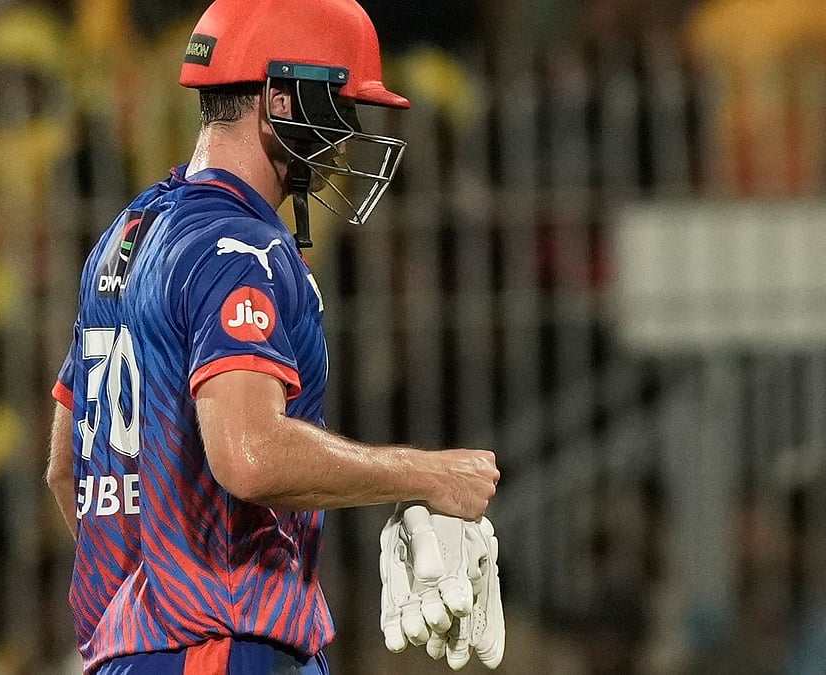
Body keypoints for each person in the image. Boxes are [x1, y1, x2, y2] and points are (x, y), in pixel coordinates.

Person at [44, 1, 500, 673]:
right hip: (223, 649)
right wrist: (427, 474)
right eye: (337, 104)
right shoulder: (240, 245)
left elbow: (64, 467)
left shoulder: (128, 233)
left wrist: (149, 601)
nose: (345, 134)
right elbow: (250, 455)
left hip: (139, 649)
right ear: (278, 97)